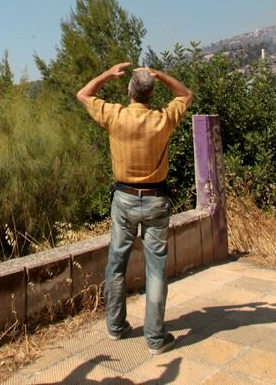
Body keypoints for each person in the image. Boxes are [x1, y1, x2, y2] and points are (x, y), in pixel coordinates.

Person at [76, 63, 193, 355]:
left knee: (116, 263)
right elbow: (186, 94)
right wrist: (160, 75)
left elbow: (84, 94)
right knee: (156, 270)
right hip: (156, 200)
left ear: (129, 92)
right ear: (151, 93)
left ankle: (116, 327)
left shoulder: (115, 115)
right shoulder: (163, 118)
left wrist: (105, 74)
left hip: (124, 199)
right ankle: (155, 339)